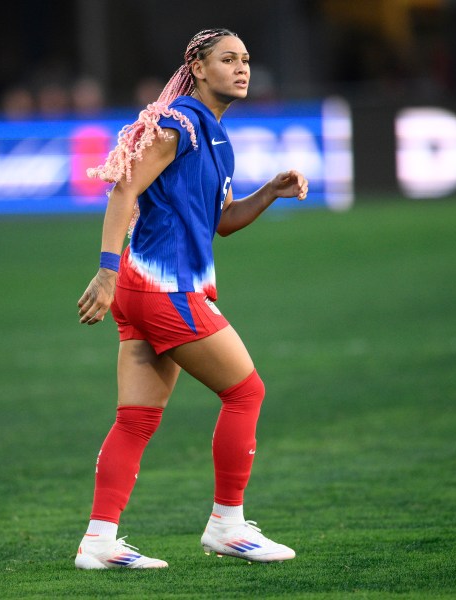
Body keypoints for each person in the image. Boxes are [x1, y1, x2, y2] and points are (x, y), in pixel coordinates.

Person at [75, 28, 308, 570]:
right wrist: (105, 273)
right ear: (198, 67)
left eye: (246, 59)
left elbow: (220, 222)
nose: (242, 67)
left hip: (149, 288)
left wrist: (268, 193)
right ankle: (227, 524)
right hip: (164, 288)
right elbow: (123, 189)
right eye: (228, 59)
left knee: (135, 419)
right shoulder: (179, 123)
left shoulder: (215, 134)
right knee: (246, 392)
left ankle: (98, 541)